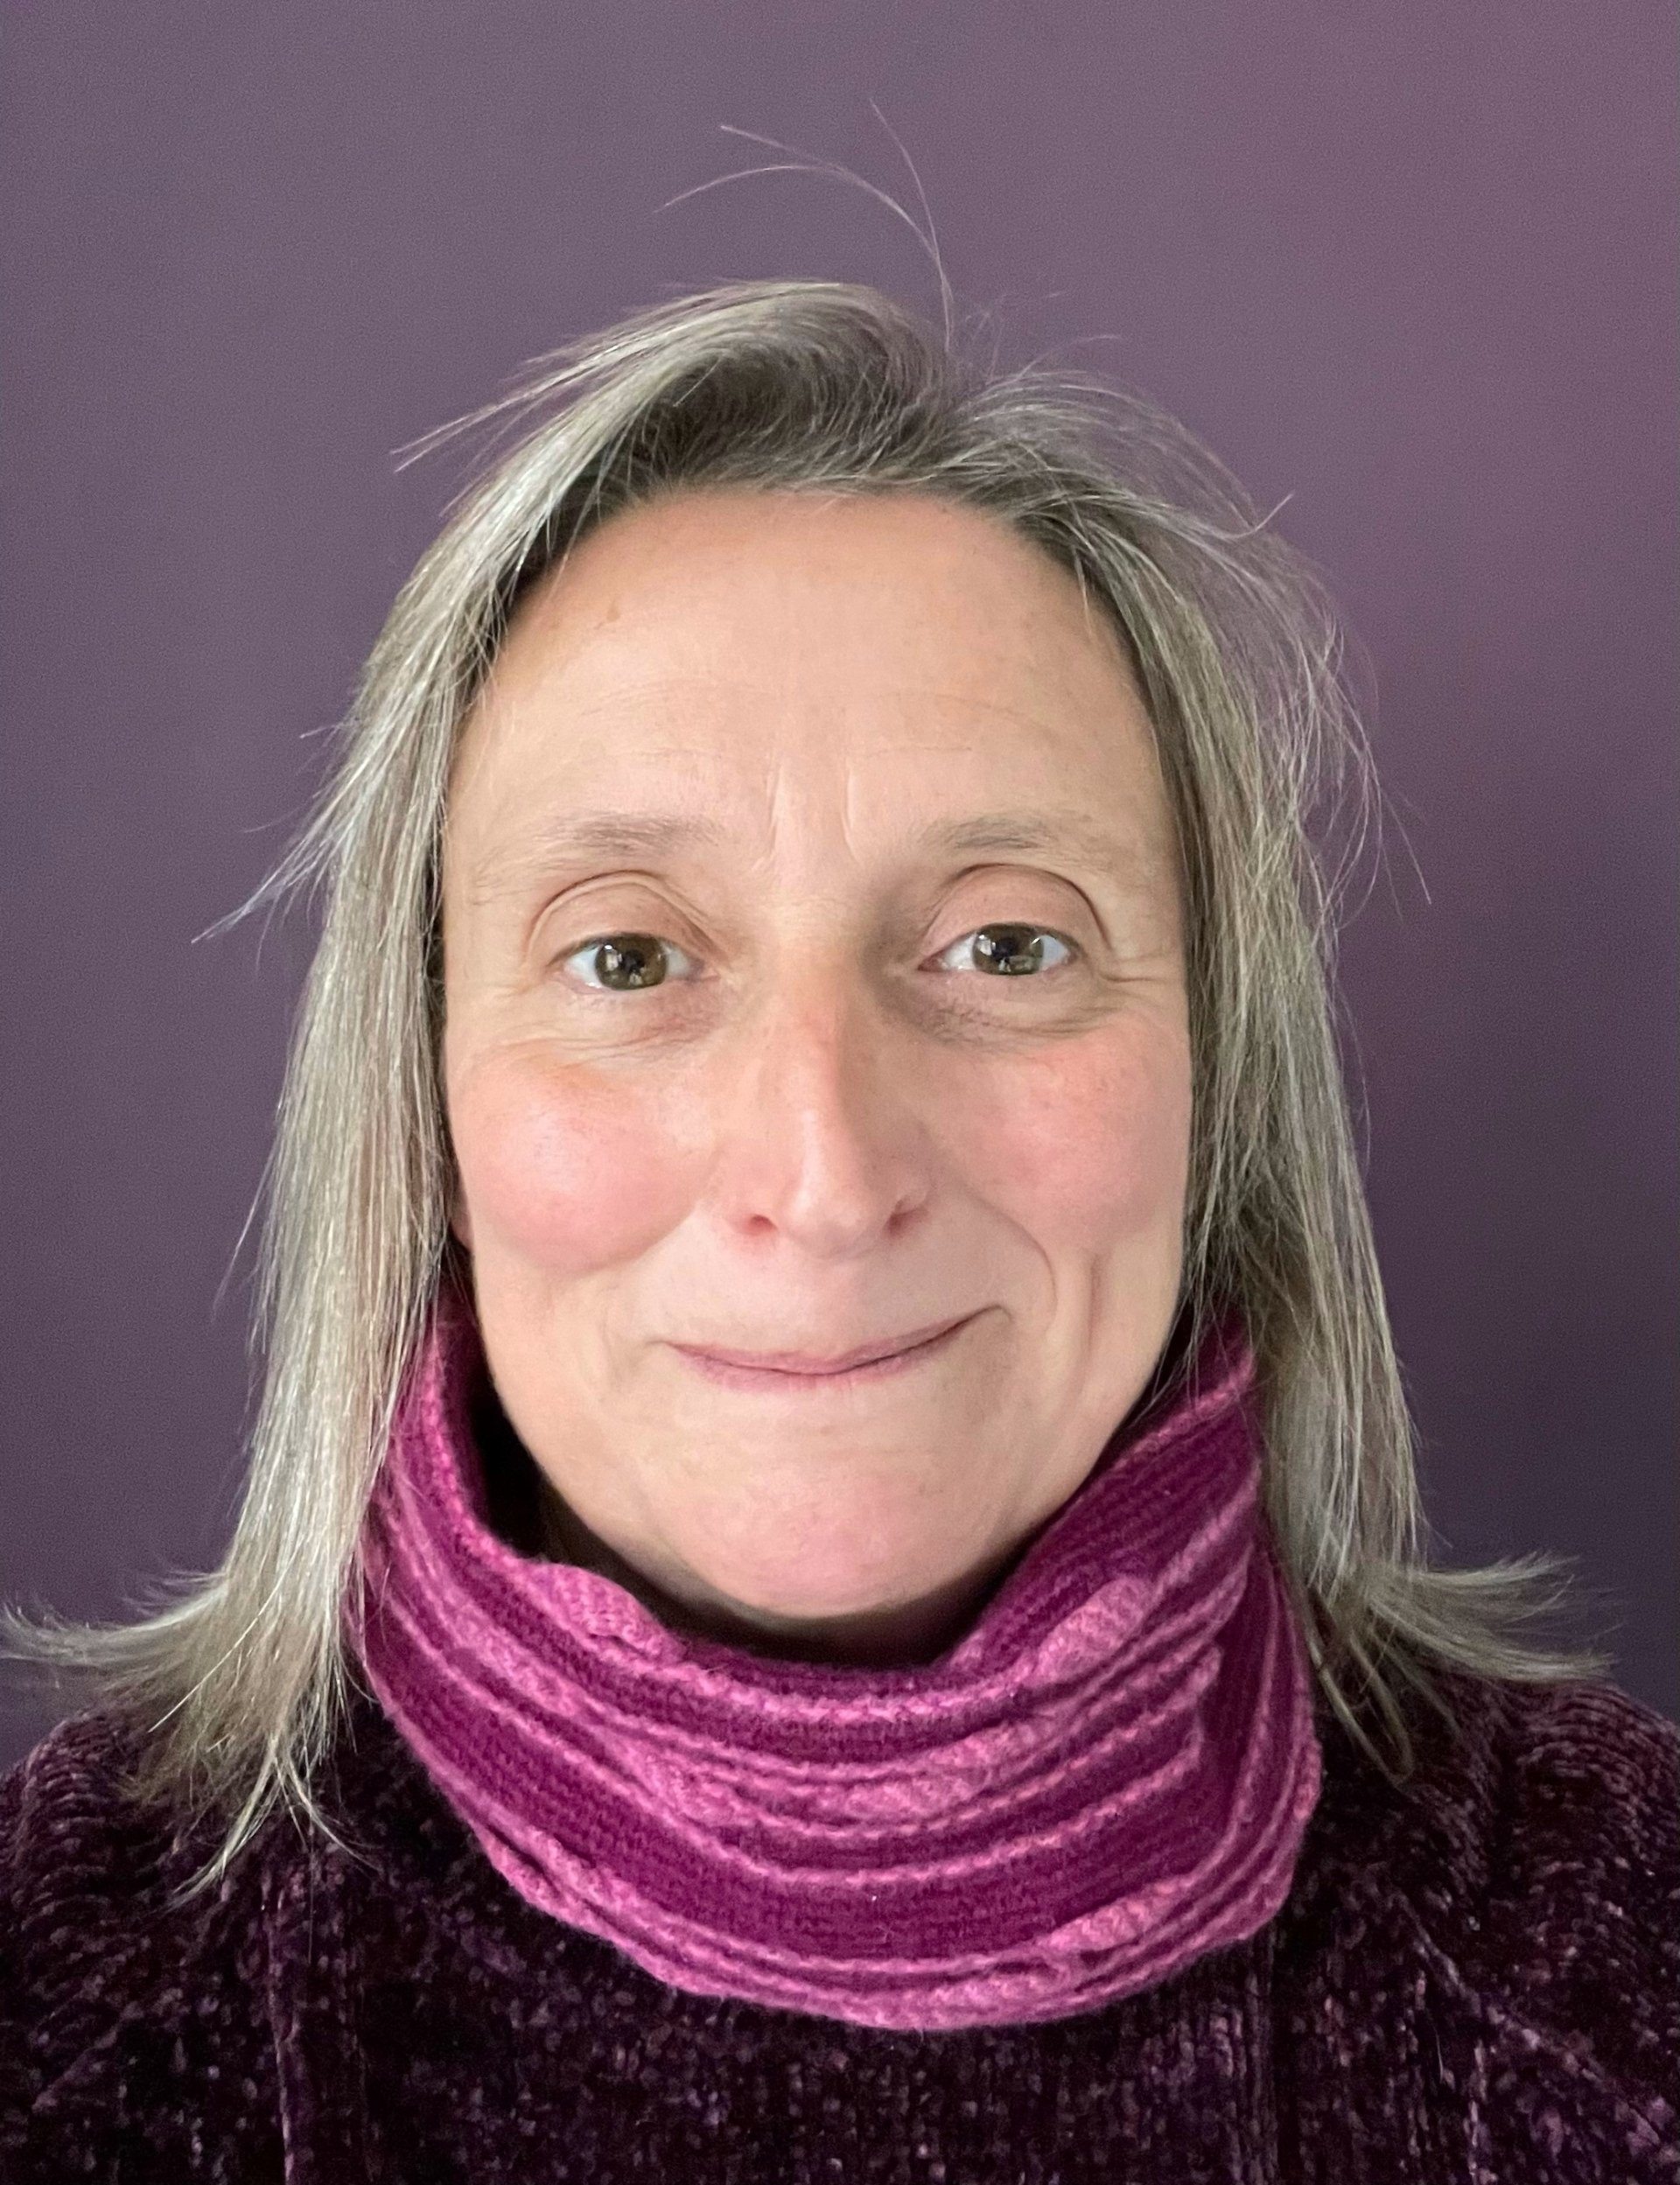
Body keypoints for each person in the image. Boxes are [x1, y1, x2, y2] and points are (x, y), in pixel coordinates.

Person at [3, 281, 1674, 2184]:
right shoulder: (70, 2017)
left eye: (1005, 945)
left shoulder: (1615, 1963)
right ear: (426, 1103)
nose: (825, 1167)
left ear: (1217, 1084)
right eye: (628, 958)